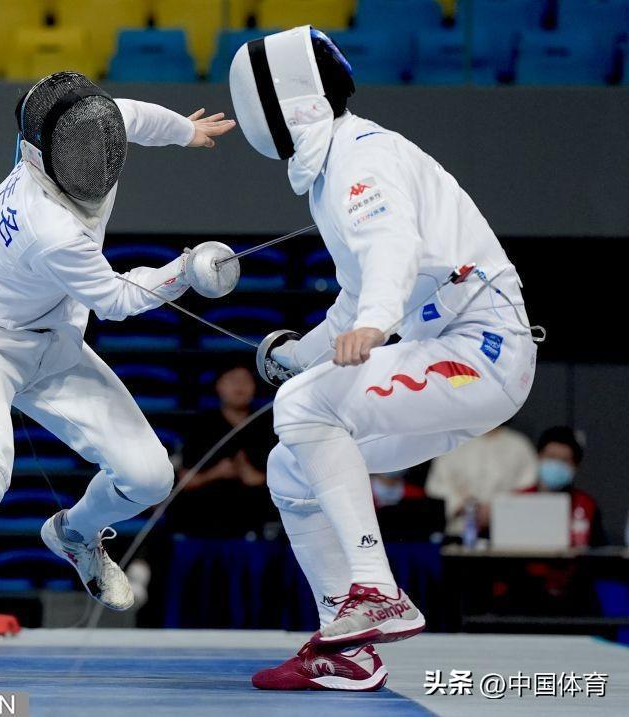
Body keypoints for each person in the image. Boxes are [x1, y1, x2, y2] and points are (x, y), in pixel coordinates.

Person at [228, 27, 538, 691]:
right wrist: (299, 354)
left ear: (292, 104)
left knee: (303, 408)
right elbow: (355, 295)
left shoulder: (360, 157)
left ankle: (378, 590)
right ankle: (348, 649)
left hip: (483, 349)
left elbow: (392, 247)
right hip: (455, 358)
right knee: (291, 466)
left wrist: (374, 322)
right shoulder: (334, 170)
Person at [0, 71, 235, 684]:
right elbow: (116, 300)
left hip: (53, 340)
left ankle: (74, 534)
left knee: (150, 476)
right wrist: (187, 270)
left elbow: (134, 116)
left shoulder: (93, 126)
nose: (97, 165)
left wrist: (185, 132)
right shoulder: (48, 225)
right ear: (41, 154)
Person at [172, 365, 274, 539]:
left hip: (254, 521)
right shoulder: (200, 426)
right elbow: (185, 480)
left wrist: (255, 476)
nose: (240, 385)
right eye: (233, 380)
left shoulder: (267, 425)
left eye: (246, 380)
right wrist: (216, 473)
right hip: (202, 520)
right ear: (219, 386)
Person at [425, 425, 538, 539]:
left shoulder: (518, 444)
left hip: (507, 531)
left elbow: (528, 487)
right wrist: (464, 505)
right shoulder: (454, 442)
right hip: (459, 529)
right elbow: (436, 485)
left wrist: (495, 508)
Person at [525, 426, 603, 547]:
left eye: (564, 460)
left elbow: (598, 550)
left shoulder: (586, 505)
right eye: (551, 457)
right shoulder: (518, 500)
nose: (556, 465)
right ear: (538, 458)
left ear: (575, 467)